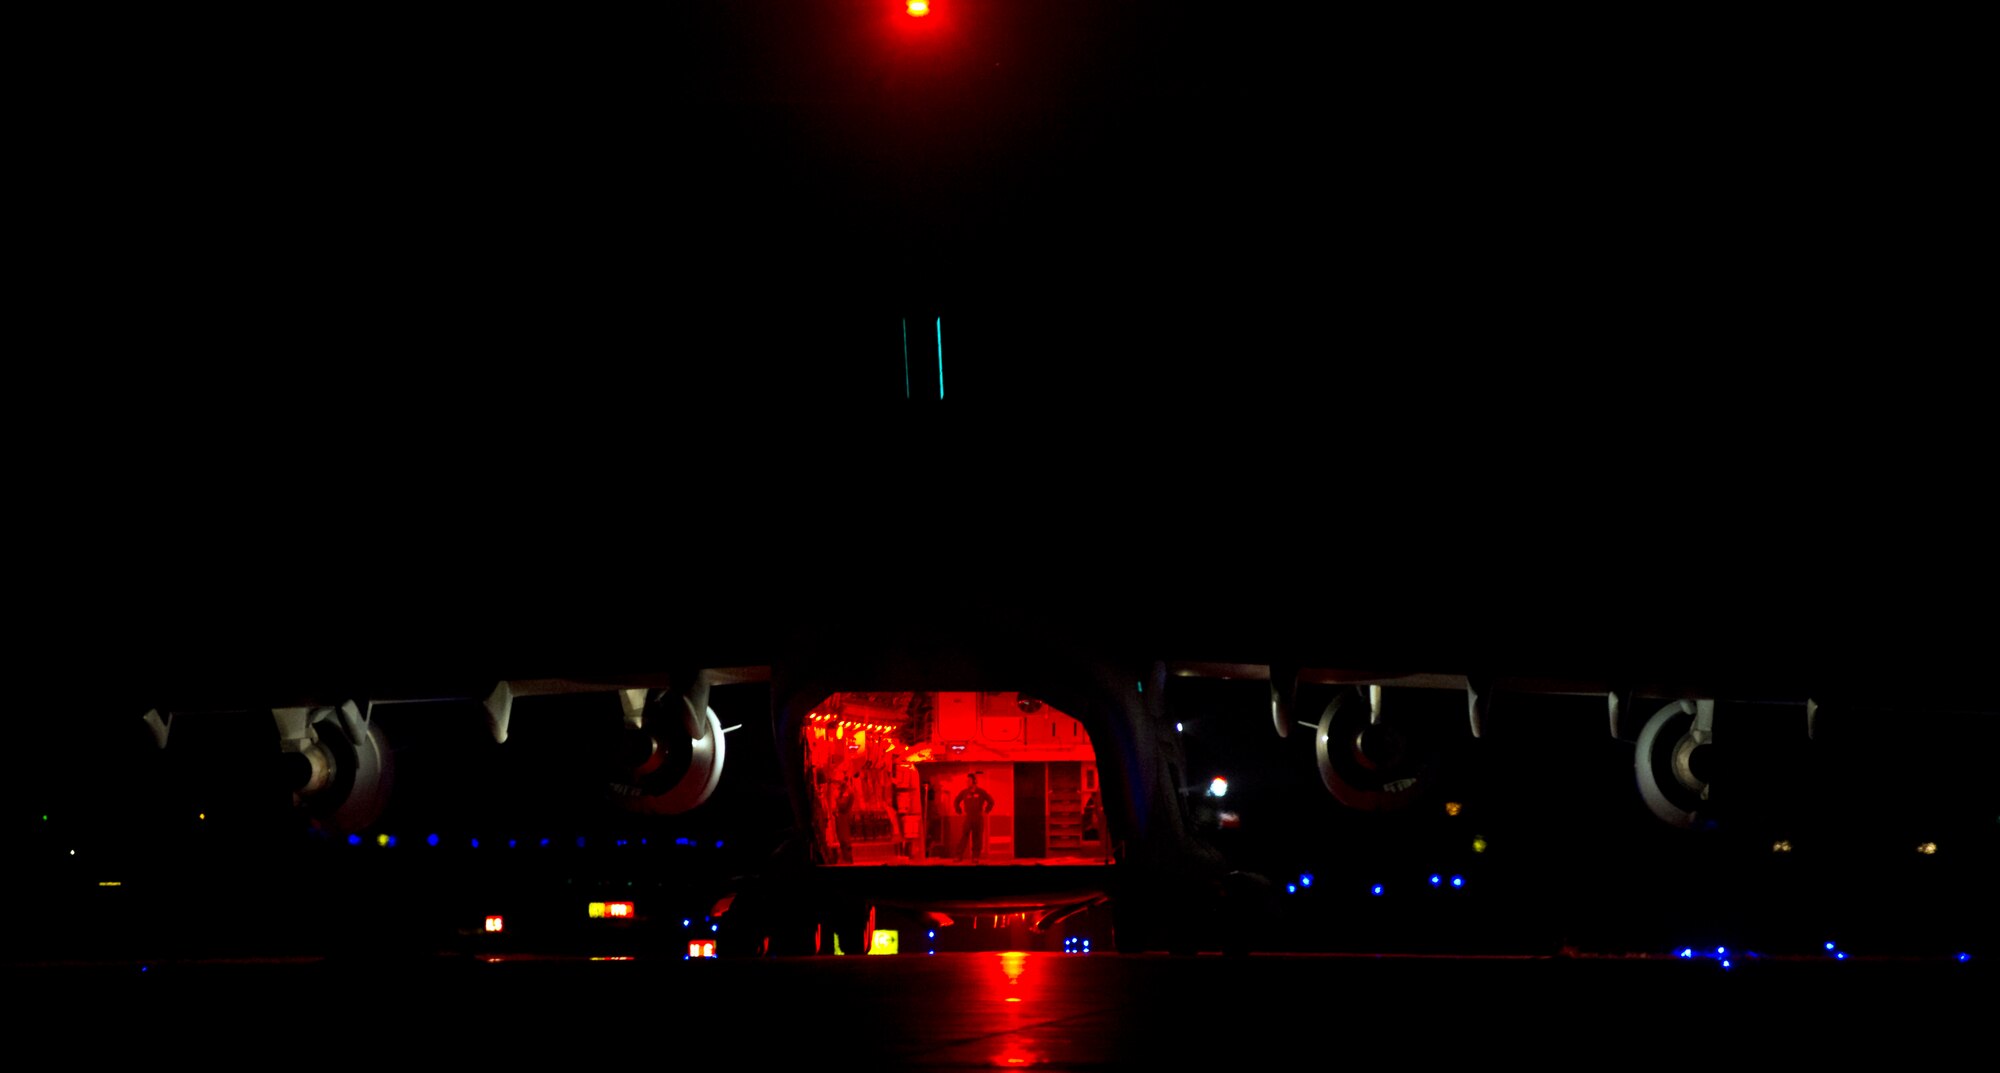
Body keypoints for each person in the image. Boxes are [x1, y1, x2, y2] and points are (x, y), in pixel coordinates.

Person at [954, 772, 994, 861]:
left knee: (977, 838)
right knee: (964, 837)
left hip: (978, 818)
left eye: (969, 781)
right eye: (966, 781)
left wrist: (986, 811)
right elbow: (956, 801)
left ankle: (975, 856)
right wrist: (958, 810)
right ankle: (958, 856)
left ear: (974, 781)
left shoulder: (981, 792)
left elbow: (991, 801)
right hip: (968, 818)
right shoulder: (964, 792)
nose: (967, 782)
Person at [833, 774, 856, 864]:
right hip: (844, 817)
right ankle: (846, 858)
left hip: (844, 817)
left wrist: (836, 799)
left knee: (845, 839)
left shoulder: (847, 792)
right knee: (843, 839)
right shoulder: (846, 791)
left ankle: (847, 859)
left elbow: (843, 805)